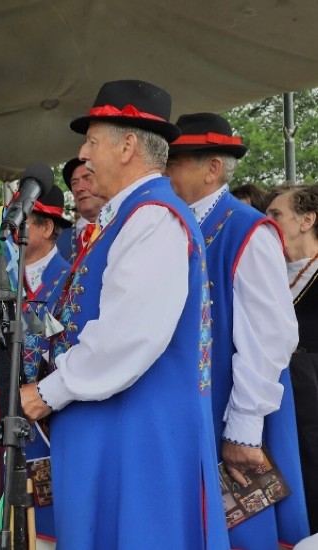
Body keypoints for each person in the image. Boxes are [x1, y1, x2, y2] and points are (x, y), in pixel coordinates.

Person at [20, 80, 228, 548]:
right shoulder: (127, 216)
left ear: (128, 145)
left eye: (93, 141)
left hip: (137, 435)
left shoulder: (152, 217)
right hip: (118, 430)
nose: (84, 153)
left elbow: (128, 335)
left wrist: (47, 392)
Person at [165, 112, 308, 548]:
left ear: (212, 169)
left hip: (232, 411)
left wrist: (244, 429)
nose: (167, 170)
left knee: (243, 532)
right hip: (191, 408)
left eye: (178, 161)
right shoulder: (177, 225)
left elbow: (273, 336)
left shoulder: (247, 229)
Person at [0, 185, 71, 550]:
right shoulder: (4, 281)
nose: (14, 230)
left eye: (25, 220)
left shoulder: (69, 277)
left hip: (52, 416)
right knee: (10, 516)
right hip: (10, 415)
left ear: (46, 228)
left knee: (50, 524)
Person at [266, 184, 318, 534]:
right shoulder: (267, 273)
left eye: (276, 215)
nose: (267, 223)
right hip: (273, 406)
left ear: (307, 220)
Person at [55, 158, 105, 262]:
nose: (79, 188)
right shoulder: (58, 242)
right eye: (74, 183)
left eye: (87, 178)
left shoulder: (125, 226)